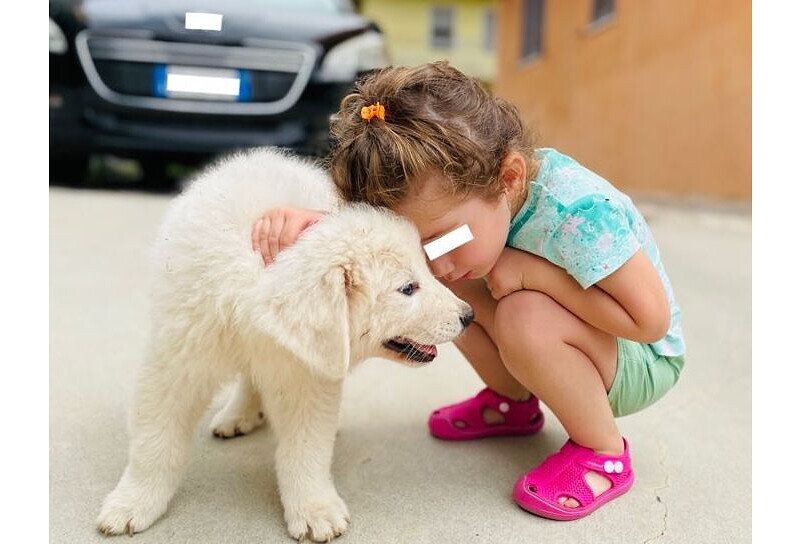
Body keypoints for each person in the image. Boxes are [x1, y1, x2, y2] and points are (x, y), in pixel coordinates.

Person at [251, 61, 685, 520]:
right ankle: (515, 403)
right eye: (418, 243)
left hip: (640, 361)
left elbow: (649, 321)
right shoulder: (466, 206)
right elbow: (387, 241)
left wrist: (536, 275)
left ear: (510, 178)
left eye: (442, 238)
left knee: (525, 314)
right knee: (451, 288)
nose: (433, 258)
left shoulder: (578, 211)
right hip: (584, 339)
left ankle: (604, 451)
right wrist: (315, 223)